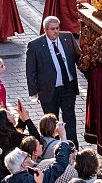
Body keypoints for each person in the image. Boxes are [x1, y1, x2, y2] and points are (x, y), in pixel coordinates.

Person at [25, 16, 80, 146]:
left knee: (70, 118)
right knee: (51, 121)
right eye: (52, 29)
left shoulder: (67, 38)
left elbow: (78, 57)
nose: (56, 32)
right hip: (49, 90)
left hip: (68, 87)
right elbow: (30, 71)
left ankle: (73, 146)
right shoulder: (35, 45)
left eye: (57, 28)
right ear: (45, 30)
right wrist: (33, 92)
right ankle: (54, 147)